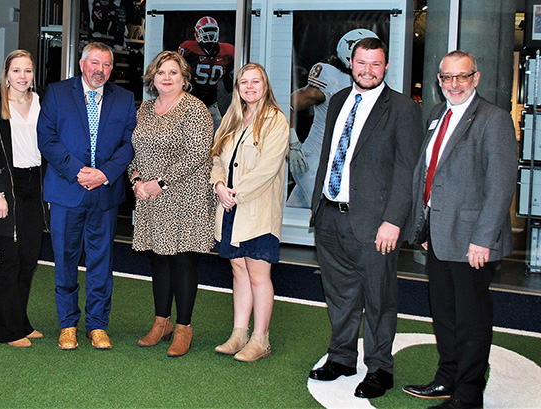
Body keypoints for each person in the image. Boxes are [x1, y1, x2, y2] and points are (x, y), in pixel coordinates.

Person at [308, 37, 422, 399]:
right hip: (330, 217)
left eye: (375, 64)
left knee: (378, 299)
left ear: (385, 67)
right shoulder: (340, 99)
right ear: (351, 64)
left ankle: (379, 368)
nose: (368, 70)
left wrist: (394, 221)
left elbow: (407, 172)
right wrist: (318, 207)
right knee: (339, 294)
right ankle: (342, 357)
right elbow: (330, 155)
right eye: (362, 63)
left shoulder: (403, 108)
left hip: (375, 225)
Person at [402, 51, 517, 409]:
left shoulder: (493, 119)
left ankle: (468, 396)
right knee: (445, 315)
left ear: (476, 78)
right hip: (439, 234)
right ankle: (446, 379)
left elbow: (500, 186)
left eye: (461, 77)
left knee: (471, 321)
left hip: (472, 241)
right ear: (439, 81)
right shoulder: (438, 115)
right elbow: (428, 172)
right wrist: (422, 224)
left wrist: (483, 239)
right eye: (447, 78)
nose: (454, 84)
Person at [37, 42, 136, 350]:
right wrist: (78, 171)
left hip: (104, 194)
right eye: (95, 63)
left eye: (106, 65)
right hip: (68, 191)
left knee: (101, 263)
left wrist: (104, 173)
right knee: (65, 262)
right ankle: (68, 324)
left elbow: (130, 144)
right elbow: (46, 138)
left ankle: (97, 325)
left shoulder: (125, 98)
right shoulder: (56, 93)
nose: (100, 70)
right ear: (82, 64)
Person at [129, 51, 214, 357]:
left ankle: (183, 328)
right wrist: (136, 180)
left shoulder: (196, 109)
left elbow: (197, 154)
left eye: (173, 73)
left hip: (185, 197)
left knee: (183, 261)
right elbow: (134, 150)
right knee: (159, 260)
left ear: (184, 78)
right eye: (161, 72)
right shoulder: (145, 109)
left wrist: (160, 182)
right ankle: (160, 322)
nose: (167, 78)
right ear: (152, 78)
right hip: (151, 198)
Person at [210, 63, 289, 362]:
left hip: (256, 211)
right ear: (238, 88)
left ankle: (260, 339)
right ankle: (238, 334)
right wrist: (219, 185)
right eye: (244, 82)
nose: (250, 87)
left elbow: (268, 168)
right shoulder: (232, 119)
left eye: (256, 81)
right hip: (230, 208)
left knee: (258, 274)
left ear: (265, 85)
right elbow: (216, 156)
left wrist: (236, 194)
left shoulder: (276, 121)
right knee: (238, 270)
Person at [0, 50, 46, 348]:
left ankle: (21, 322)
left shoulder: (39, 101)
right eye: (16, 70)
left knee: (28, 258)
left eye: (28, 71)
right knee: (10, 260)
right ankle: (5, 329)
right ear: (6, 73)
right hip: (7, 185)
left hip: (34, 185)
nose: (22, 76)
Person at [286, 29, 377, 209]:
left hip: (336, 162)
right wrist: (293, 142)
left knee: (295, 212)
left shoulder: (368, 83)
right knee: (325, 211)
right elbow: (286, 103)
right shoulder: (330, 76)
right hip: (314, 161)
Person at [178, 16, 235, 129]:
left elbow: (229, 83)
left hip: (211, 103)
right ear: (198, 32)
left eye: (212, 31)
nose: (210, 34)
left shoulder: (228, 51)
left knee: (218, 136)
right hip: (192, 103)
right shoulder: (189, 49)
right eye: (206, 31)